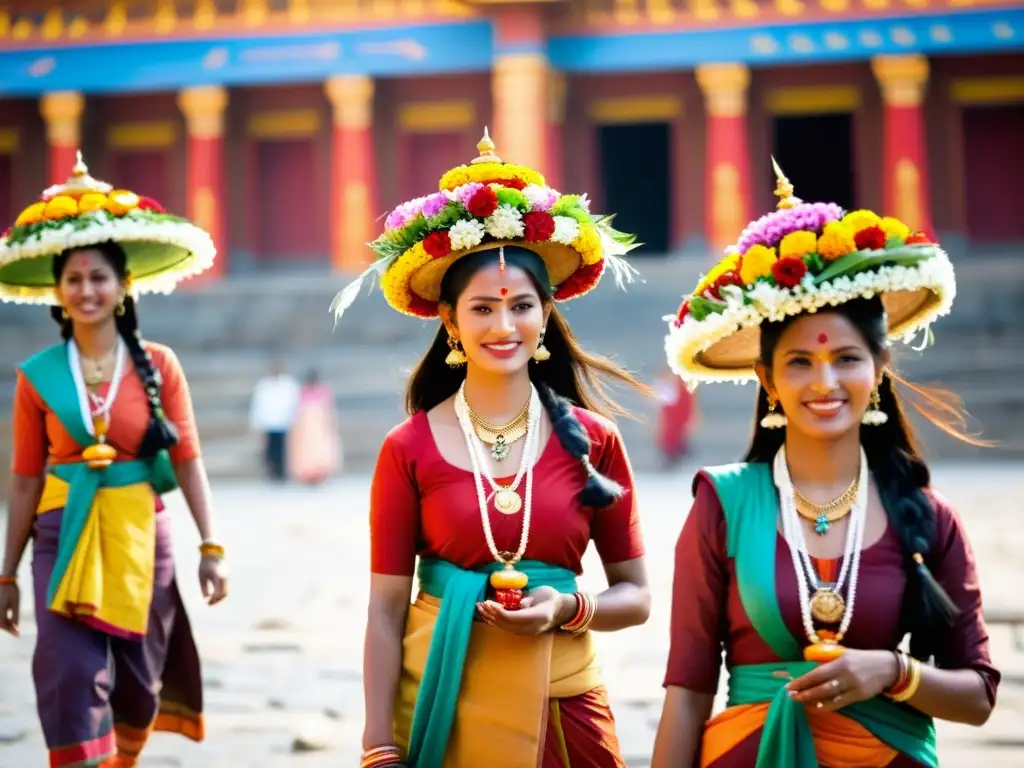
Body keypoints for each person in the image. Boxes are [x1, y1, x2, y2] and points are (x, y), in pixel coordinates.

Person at [651, 161, 999, 767]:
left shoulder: (924, 515)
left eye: (846, 359)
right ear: (767, 379)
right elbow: (686, 694)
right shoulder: (723, 506)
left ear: (879, 365)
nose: (826, 382)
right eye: (800, 364)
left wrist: (894, 673)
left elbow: (979, 695)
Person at [332, 131, 652, 767]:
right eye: (482, 308)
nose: (503, 327)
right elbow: (386, 607)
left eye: (521, 307)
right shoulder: (409, 447)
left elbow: (636, 596)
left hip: (566, 704)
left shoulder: (594, 440)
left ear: (545, 316)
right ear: (450, 321)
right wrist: (377, 743)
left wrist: (568, 607)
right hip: (442, 695)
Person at [0, 154, 229, 767]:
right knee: (69, 672)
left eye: (98, 277)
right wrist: (5, 572)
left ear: (122, 285)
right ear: (57, 291)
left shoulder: (160, 364)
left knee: (139, 681)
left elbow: (188, 462)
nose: (86, 290)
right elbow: (23, 481)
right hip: (60, 531)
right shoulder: (37, 377)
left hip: (139, 532)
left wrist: (211, 547)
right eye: (73, 279)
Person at [286, 368, 342, 484]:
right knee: (307, 450)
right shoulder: (303, 391)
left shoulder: (323, 390)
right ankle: (308, 475)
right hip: (307, 424)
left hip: (319, 423)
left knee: (320, 449)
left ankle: (320, 473)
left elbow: (328, 408)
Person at [248, 357, 300, 482]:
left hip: (284, 423)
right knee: (270, 451)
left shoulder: (289, 385)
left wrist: (293, 420)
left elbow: (294, 404)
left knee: (284, 451)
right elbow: (258, 405)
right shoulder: (264, 386)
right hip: (269, 423)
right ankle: (272, 473)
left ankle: (282, 473)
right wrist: (257, 423)